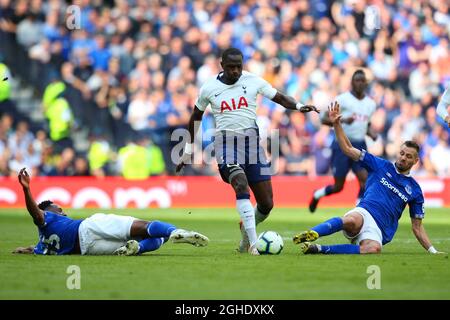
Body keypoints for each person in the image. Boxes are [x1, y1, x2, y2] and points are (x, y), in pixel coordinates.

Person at [176, 48, 318, 255]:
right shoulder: (209, 87)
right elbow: (196, 116)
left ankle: (245, 235)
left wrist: (299, 106)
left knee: (267, 204)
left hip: (252, 143)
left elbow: (278, 97)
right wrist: (188, 149)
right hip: (225, 143)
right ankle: (253, 245)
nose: (235, 71)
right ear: (222, 65)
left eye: (239, 67)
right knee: (241, 183)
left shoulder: (253, 80)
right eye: (231, 67)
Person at [292, 102, 445, 255]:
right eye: (402, 153)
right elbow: (348, 149)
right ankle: (313, 233)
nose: (403, 158)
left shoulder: (415, 190)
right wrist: (337, 124)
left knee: (373, 249)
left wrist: (433, 251)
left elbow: (417, 227)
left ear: (415, 161)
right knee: (351, 221)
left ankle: (319, 249)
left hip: (379, 230)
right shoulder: (380, 165)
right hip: (364, 213)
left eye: (408, 156)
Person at [13, 168, 209, 255]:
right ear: (48, 211)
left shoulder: (43, 244)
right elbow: (35, 213)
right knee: (146, 227)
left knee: (146, 242)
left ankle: (140, 248)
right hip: (90, 227)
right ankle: (175, 232)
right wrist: (26, 189)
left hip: (87, 250)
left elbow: (37, 247)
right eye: (57, 207)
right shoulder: (47, 218)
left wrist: (26, 249)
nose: (62, 210)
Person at [309, 69, 377, 213]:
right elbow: (323, 118)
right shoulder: (342, 99)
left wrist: (371, 133)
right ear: (352, 83)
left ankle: (359, 212)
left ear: (366, 83)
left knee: (365, 180)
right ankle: (317, 194)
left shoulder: (371, 104)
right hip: (341, 144)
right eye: (356, 80)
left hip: (359, 144)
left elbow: (366, 124)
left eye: (362, 80)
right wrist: (344, 119)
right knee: (338, 187)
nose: (359, 83)